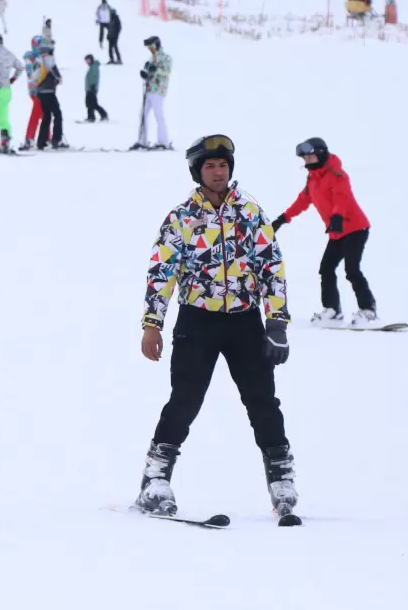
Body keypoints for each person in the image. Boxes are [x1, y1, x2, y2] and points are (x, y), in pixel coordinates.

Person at [135, 135, 297, 522]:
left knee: (262, 401)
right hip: (197, 320)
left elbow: (271, 266)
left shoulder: (250, 212)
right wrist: (152, 325)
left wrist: (276, 322)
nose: (218, 172)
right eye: (210, 166)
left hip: (244, 321)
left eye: (223, 165)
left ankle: (282, 479)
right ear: (197, 171)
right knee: (185, 400)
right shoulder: (182, 217)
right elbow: (162, 273)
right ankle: (155, 480)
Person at [271, 138, 376, 325]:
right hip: (336, 232)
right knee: (326, 269)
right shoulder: (313, 178)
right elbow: (303, 200)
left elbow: (341, 198)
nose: (307, 161)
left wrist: (337, 217)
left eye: (310, 156)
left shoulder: (337, 174)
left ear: (320, 153)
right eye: (304, 158)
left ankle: (368, 310)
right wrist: (283, 218)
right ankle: (332, 311)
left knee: (352, 270)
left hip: (355, 228)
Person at [133, 36, 172, 150]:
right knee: (143, 114)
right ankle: (142, 140)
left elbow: (167, 72)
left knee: (158, 115)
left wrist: (156, 70)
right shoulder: (151, 58)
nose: (150, 49)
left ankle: (163, 142)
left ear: (157, 45)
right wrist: (145, 74)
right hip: (149, 90)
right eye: (149, 47)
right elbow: (149, 71)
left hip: (159, 90)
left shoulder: (166, 58)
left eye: (151, 47)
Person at [34, 39, 66, 150]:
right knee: (58, 114)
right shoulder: (48, 58)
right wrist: (59, 78)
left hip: (40, 92)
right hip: (49, 92)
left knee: (46, 116)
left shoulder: (38, 60)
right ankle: (56, 139)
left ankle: (41, 142)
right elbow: (54, 69)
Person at [83, 54, 108, 122]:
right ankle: (91, 117)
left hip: (92, 88)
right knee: (89, 103)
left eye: (88, 60)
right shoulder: (92, 66)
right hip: (89, 89)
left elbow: (94, 77)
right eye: (86, 61)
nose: (87, 62)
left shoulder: (94, 67)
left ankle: (103, 115)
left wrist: (93, 86)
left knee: (93, 104)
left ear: (91, 59)